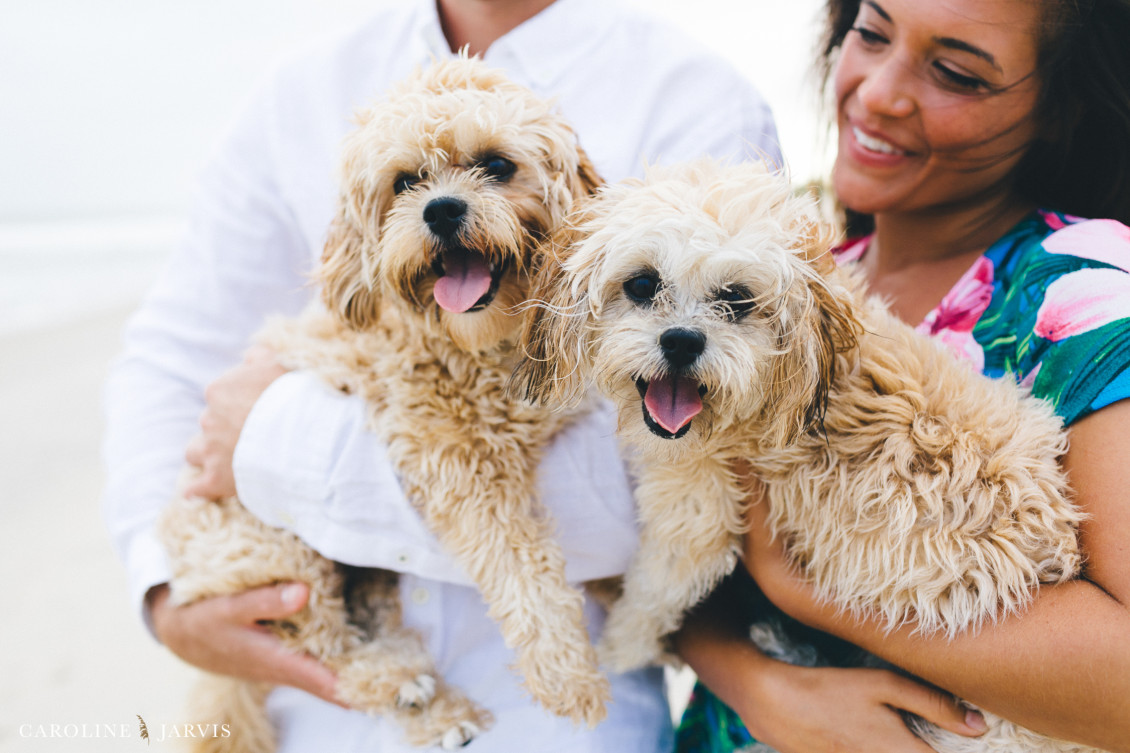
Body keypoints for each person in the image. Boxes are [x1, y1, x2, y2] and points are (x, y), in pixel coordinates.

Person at [101, 0, 781, 750]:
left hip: (560, 725)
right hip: (313, 703)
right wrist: (162, 590)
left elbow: (691, 479)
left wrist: (276, 446)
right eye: (407, 184)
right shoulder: (298, 89)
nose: (446, 202)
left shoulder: (696, 96)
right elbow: (174, 356)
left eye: (496, 168)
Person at [674, 0, 1130, 751]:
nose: (880, 92)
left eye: (955, 73)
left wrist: (811, 591)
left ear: (1059, 108)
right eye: (872, 33)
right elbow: (654, 549)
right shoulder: (780, 288)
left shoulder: (1087, 291)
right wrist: (760, 686)